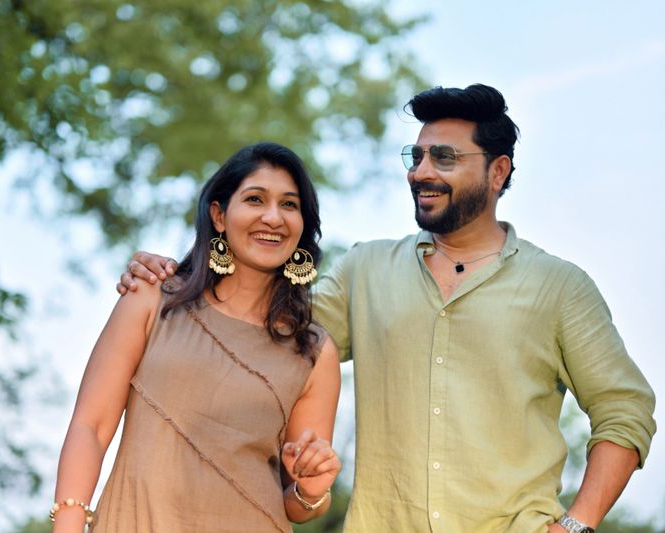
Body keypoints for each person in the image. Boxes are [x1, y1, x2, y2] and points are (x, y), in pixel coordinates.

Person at [119, 84, 656, 533]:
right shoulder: (365, 271)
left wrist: (577, 525)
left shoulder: (559, 287)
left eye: (444, 158)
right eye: (416, 156)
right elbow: (260, 327)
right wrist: (182, 275)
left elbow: (624, 412)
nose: (421, 171)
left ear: (498, 173)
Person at [54, 142, 341, 532]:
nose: (273, 217)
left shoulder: (313, 351)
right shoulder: (152, 297)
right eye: (255, 199)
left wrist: (312, 488)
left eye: (290, 205)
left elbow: (297, 502)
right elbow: (91, 425)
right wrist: (68, 523)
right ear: (219, 215)